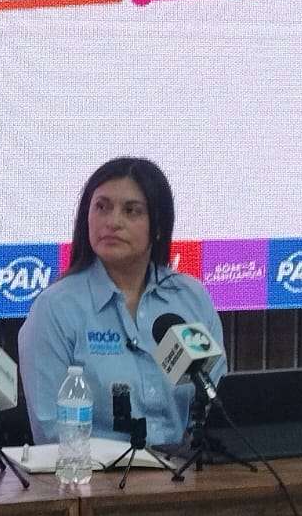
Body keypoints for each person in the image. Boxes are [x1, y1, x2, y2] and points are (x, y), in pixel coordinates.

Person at [19, 157, 226, 447]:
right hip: (94, 473)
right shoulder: (55, 309)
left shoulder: (190, 298)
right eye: (101, 207)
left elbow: (217, 405)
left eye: (131, 211)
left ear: (158, 225)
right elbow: (51, 433)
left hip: (185, 470)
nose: (112, 222)